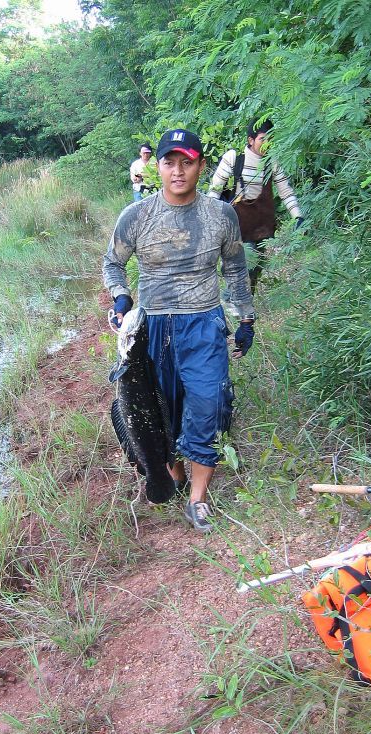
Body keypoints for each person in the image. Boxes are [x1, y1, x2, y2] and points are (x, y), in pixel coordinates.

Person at [104, 129, 256, 532]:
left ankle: (198, 498)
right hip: (152, 328)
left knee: (208, 404)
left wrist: (246, 317)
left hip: (204, 323)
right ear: (158, 166)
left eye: (187, 162)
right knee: (159, 409)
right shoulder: (136, 216)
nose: (178, 170)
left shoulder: (220, 215)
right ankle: (171, 472)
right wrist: (121, 298)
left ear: (201, 166)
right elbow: (112, 264)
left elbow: (236, 267)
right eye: (170, 162)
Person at [208, 119, 304, 291]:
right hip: (237, 224)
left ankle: (244, 303)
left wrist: (298, 216)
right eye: (262, 139)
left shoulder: (272, 162)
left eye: (270, 139)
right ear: (251, 140)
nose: (267, 144)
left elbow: (286, 192)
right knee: (245, 264)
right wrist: (210, 217)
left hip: (262, 226)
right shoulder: (234, 158)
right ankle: (232, 300)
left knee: (257, 266)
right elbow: (215, 190)